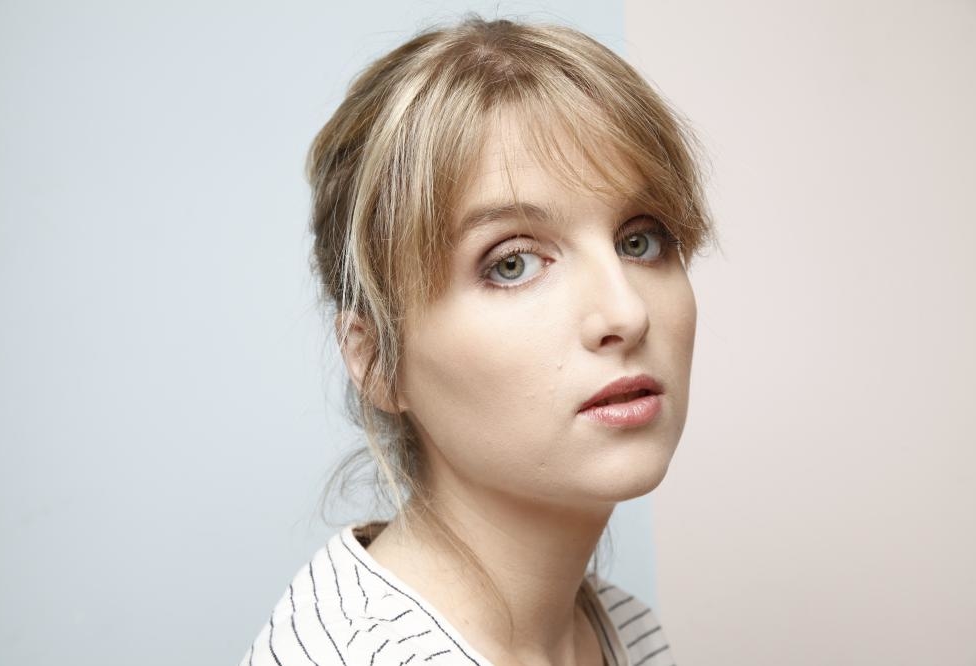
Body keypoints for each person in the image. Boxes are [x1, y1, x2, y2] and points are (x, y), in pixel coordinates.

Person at [241, 14, 714, 666]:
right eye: (512, 263)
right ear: (377, 361)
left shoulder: (627, 631)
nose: (626, 313)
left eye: (639, 240)